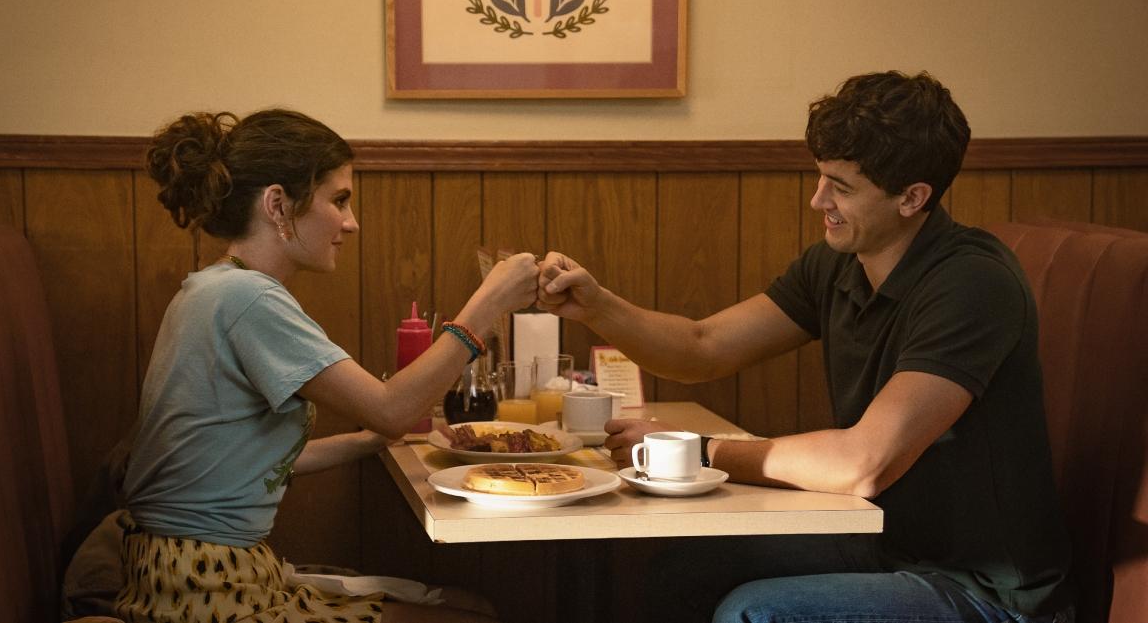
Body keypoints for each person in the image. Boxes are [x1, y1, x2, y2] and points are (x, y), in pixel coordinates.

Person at [536, 71, 1074, 623]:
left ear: (913, 197)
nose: (819, 200)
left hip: (986, 591)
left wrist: (696, 452)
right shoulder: (840, 261)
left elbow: (864, 463)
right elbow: (705, 347)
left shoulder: (972, 283)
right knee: (682, 570)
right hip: (885, 543)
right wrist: (598, 306)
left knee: (756, 613)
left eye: (841, 187)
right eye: (820, 178)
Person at [119, 108, 536, 623]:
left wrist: (372, 442)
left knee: (474, 607)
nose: (351, 222)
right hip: (204, 585)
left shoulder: (215, 286)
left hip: (183, 570)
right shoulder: (248, 300)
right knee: (474, 617)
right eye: (339, 200)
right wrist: (487, 303)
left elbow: (249, 463)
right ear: (278, 204)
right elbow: (391, 408)